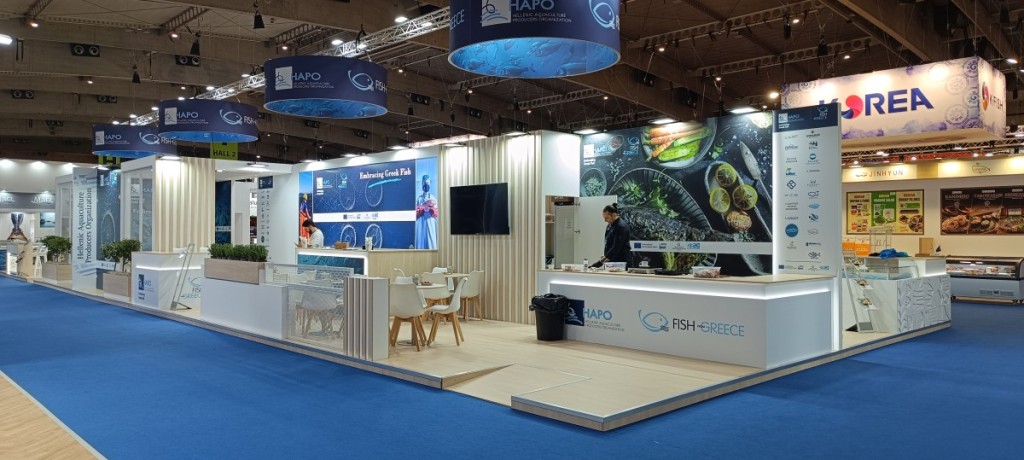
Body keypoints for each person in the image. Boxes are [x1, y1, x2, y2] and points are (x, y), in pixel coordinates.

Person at [595, 203, 630, 267]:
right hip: (611, 260)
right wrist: (605, 256)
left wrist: (602, 260)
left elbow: (616, 247)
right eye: (604, 218)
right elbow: (608, 243)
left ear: (614, 215)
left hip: (620, 261)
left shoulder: (621, 227)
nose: (605, 220)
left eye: (607, 218)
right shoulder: (610, 225)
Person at [415, 174, 438, 249]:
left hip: (430, 223)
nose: (426, 185)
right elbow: (416, 213)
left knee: (431, 243)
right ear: (422, 184)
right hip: (421, 224)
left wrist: (431, 210)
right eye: (424, 183)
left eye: (427, 183)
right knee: (421, 243)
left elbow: (436, 214)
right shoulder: (419, 199)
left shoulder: (433, 198)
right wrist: (422, 208)